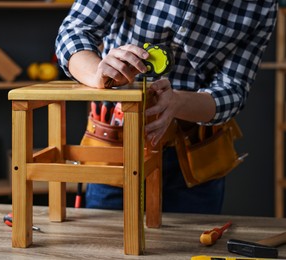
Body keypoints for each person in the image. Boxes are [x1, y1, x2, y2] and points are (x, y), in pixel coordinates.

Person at [55, 0, 277, 214]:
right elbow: (74, 31)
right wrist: (97, 74)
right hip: (117, 149)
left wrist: (178, 102)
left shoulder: (262, 4)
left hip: (197, 156)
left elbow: (233, 90)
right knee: (104, 248)